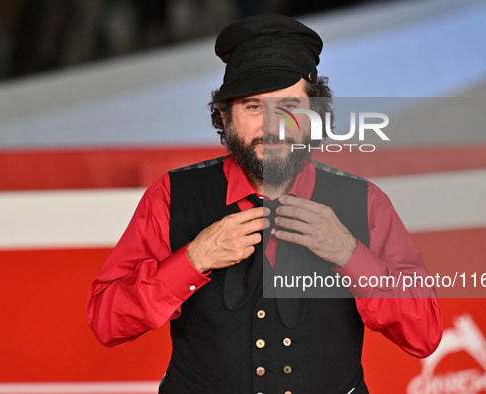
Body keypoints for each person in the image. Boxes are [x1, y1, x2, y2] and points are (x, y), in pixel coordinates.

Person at [86, 14, 442, 394]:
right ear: (225, 116)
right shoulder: (171, 197)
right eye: (254, 107)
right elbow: (107, 322)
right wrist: (192, 260)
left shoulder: (365, 203)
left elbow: (424, 334)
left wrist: (349, 253)